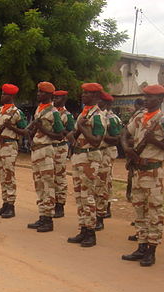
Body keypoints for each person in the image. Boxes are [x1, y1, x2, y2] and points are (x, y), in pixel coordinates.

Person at [120, 84, 164, 266]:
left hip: (153, 170)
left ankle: (151, 250)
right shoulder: (139, 116)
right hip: (138, 170)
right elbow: (124, 133)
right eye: (145, 96)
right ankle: (141, 246)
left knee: (154, 212)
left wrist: (155, 141)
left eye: (151, 97)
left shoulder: (163, 120)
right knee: (139, 209)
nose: (146, 100)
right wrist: (127, 149)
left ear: (161, 99)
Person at [67, 82, 106, 247]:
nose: (83, 96)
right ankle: (83, 228)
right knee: (79, 196)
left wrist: (82, 127)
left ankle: (90, 232)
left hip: (89, 158)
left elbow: (96, 141)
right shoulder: (85, 113)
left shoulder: (97, 115)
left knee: (88, 196)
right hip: (79, 157)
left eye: (87, 93)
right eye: (83, 93)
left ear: (96, 96)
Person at [26, 82, 65, 232]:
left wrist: (42, 129)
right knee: (39, 185)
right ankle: (42, 216)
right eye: (38, 92)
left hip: (46, 150)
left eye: (41, 92)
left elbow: (60, 135)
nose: (38, 95)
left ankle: (48, 219)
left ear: (49, 95)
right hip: (37, 150)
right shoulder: (39, 109)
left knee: (48, 185)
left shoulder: (54, 112)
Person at [0, 84, 28, 218]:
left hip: (10, 145)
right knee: (1, 176)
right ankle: (5, 203)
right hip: (0, 146)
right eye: (2, 93)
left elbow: (25, 131)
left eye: (4, 94)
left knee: (9, 176)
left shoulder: (17, 112)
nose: (2, 96)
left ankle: (11, 206)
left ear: (11, 96)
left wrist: (11, 128)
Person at [96, 91, 122, 226]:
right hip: (97, 152)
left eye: (99, 101)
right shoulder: (96, 115)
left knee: (103, 182)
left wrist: (100, 136)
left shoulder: (111, 118)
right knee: (100, 182)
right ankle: (103, 208)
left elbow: (117, 139)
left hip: (106, 152)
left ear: (106, 103)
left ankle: (103, 210)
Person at [51, 90, 75, 219]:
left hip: (60, 147)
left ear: (64, 99)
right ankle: (50, 203)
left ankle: (60, 205)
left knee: (59, 176)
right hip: (49, 147)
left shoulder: (67, 115)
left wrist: (58, 130)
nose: (55, 100)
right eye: (54, 97)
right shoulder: (50, 111)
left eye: (58, 98)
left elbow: (71, 133)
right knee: (49, 177)